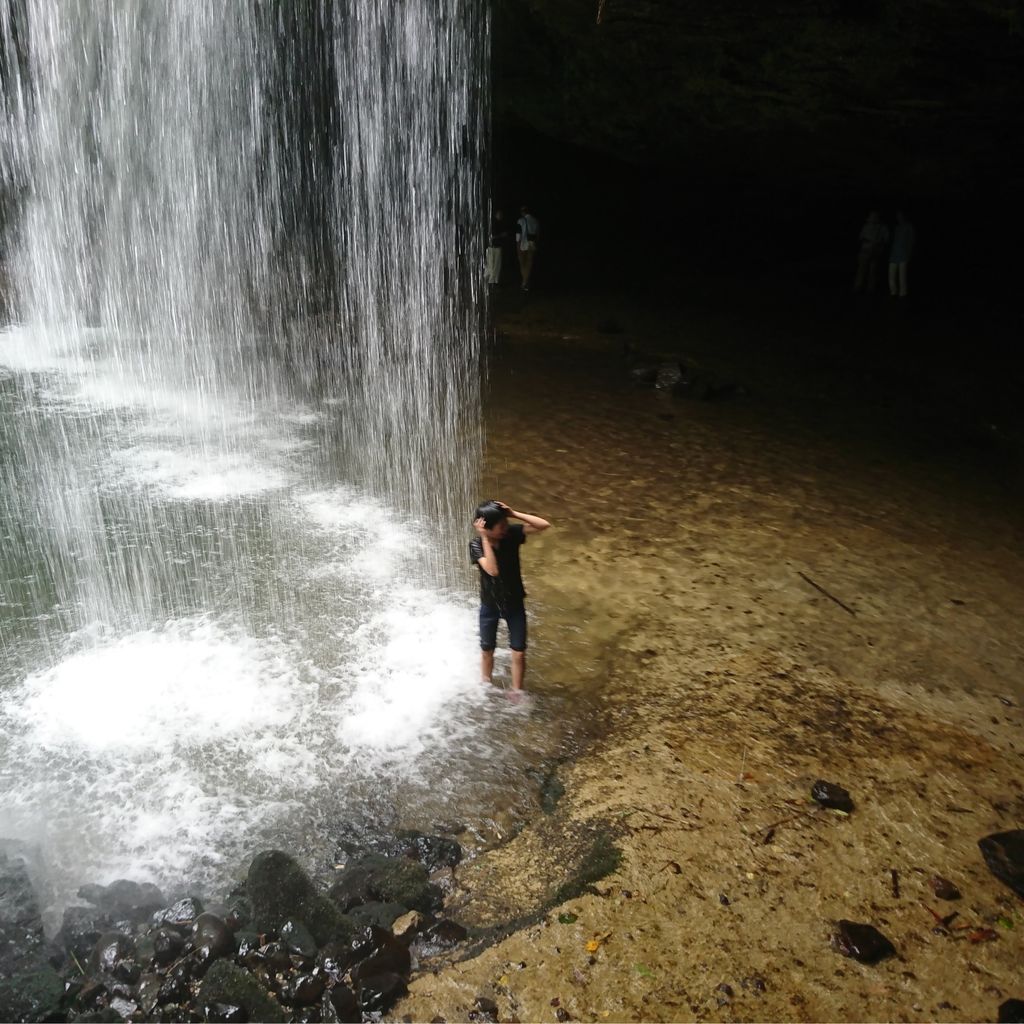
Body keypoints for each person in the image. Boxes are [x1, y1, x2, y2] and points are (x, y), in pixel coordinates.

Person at [469, 499, 551, 691]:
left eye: (506, 524)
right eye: (501, 526)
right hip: (490, 605)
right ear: (486, 529)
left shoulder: (511, 535)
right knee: (487, 650)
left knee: (519, 653)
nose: (505, 528)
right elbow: (492, 570)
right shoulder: (476, 545)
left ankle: (517, 692)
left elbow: (543, 525)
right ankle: (486, 686)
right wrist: (484, 539)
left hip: (514, 603)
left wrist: (514, 514)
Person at [853, 210, 889, 293]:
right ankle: (858, 286)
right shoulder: (866, 226)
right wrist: (866, 241)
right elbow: (860, 237)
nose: (873, 218)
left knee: (873, 271)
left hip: (876, 252)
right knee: (861, 270)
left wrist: (879, 244)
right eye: (871, 216)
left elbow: (886, 239)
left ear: (877, 218)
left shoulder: (882, 227)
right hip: (865, 251)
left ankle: (870, 288)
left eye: (874, 216)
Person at [888, 210, 915, 298]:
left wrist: (909, 253)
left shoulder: (909, 226)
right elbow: (894, 241)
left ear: (904, 216)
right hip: (894, 254)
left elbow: (911, 241)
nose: (899, 217)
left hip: (903, 254)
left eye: (900, 215)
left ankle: (903, 294)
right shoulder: (897, 227)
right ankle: (893, 292)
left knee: (902, 276)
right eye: (898, 215)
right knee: (891, 275)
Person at [515, 204, 540, 292]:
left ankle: (524, 282)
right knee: (529, 263)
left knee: (523, 263)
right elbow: (537, 234)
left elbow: (518, 234)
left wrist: (517, 244)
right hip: (532, 244)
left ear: (522, 212)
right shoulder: (535, 220)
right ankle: (526, 282)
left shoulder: (520, 220)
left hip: (523, 243)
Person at [485, 208, 508, 286]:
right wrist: (500, 235)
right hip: (492, 246)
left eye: (501, 214)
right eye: (499, 214)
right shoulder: (494, 224)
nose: (500, 215)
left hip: (496, 246)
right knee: (492, 264)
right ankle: (492, 280)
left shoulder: (500, 224)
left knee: (495, 264)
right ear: (496, 215)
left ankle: (493, 280)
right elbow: (492, 236)